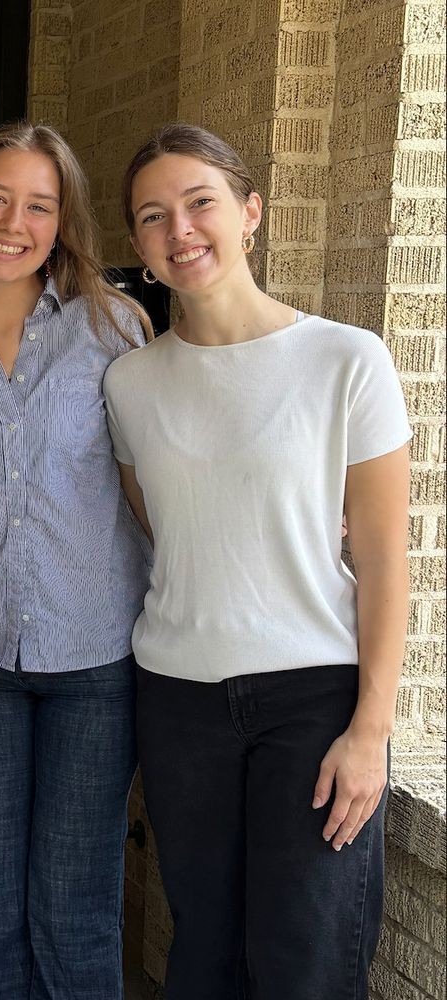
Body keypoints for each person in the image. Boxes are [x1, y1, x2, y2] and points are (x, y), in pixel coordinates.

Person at [106, 123, 409, 1000]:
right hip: (178, 699)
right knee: (203, 954)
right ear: (139, 244)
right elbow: (164, 527)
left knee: (305, 962)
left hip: (315, 699)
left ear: (251, 213)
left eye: (200, 203)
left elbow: (388, 560)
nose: (180, 229)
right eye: (153, 216)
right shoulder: (130, 384)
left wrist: (371, 730)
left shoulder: (346, 360)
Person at [0, 121, 152, 1000]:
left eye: (39, 206)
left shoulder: (114, 328)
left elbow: (163, 477)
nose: (14, 222)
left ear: (64, 222)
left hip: (97, 660)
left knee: (73, 905)